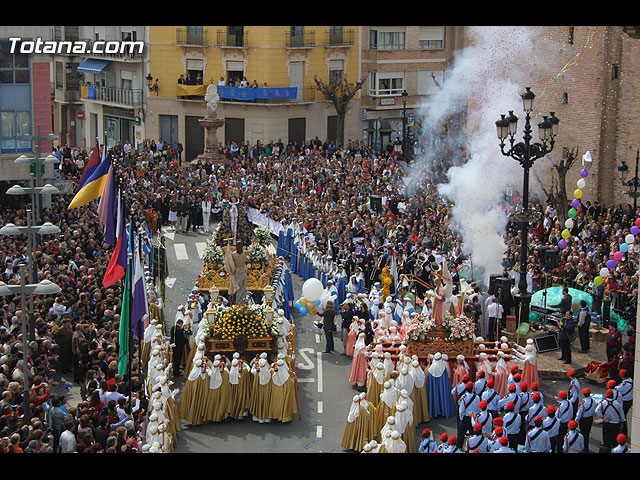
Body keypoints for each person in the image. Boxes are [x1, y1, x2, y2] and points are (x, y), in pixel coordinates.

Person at [232, 240, 253, 306]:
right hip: (242, 270)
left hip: (237, 271)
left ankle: (239, 301)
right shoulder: (244, 253)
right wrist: (253, 242)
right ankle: (239, 301)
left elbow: (229, 262)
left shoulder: (233, 254)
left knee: (239, 286)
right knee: (242, 286)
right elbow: (252, 250)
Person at [575, 387, 595, 452]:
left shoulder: (583, 403)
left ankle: (583, 448)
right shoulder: (593, 401)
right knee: (587, 434)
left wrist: (576, 421)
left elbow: (579, 413)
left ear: (584, 394)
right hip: (590, 419)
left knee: (583, 435)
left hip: (584, 420)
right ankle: (586, 447)